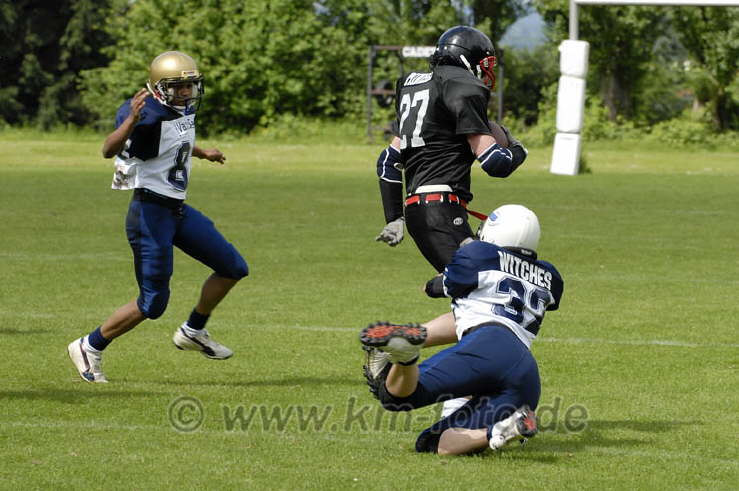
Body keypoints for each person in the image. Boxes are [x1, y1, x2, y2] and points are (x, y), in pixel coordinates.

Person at [67, 51, 248, 383]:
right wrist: (130, 122)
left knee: (233, 267)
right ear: (159, 87)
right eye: (178, 87)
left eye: (190, 86)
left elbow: (173, 139)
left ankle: (193, 330)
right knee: (153, 304)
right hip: (150, 214)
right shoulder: (144, 113)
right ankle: (88, 345)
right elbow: (108, 150)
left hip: (176, 211)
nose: (186, 92)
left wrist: (202, 152)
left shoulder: (178, 109)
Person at [360, 204, 564, 455]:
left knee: (394, 397)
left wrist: (436, 281)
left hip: (487, 345)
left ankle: (406, 357)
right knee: (431, 443)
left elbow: (436, 288)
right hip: (525, 374)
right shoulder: (550, 277)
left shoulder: (479, 254)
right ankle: (502, 430)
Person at [374, 25, 528, 274]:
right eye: (484, 64)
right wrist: (517, 148)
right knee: (482, 284)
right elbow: (496, 163)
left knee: (469, 288)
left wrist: (394, 217)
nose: (486, 72)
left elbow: (388, 161)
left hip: (419, 211)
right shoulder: (462, 85)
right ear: (468, 58)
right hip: (442, 210)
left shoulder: (415, 85)